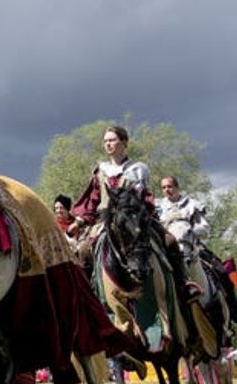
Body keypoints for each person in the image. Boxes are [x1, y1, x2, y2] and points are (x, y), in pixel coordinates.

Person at [69, 126, 196, 313]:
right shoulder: (100, 171)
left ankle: (183, 286)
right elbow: (93, 201)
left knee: (170, 241)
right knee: (83, 251)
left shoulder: (138, 169)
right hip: (105, 221)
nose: (108, 144)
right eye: (106, 141)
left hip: (136, 218)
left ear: (124, 143)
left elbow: (145, 197)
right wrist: (79, 222)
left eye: (112, 140)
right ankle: (85, 297)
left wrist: (140, 214)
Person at [159, 175, 237, 315]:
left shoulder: (191, 204)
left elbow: (205, 229)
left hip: (194, 246)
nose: (167, 190)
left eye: (169, 186)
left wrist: (187, 229)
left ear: (177, 187)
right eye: (163, 187)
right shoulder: (158, 208)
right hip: (169, 251)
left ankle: (233, 309)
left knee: (221, 270)